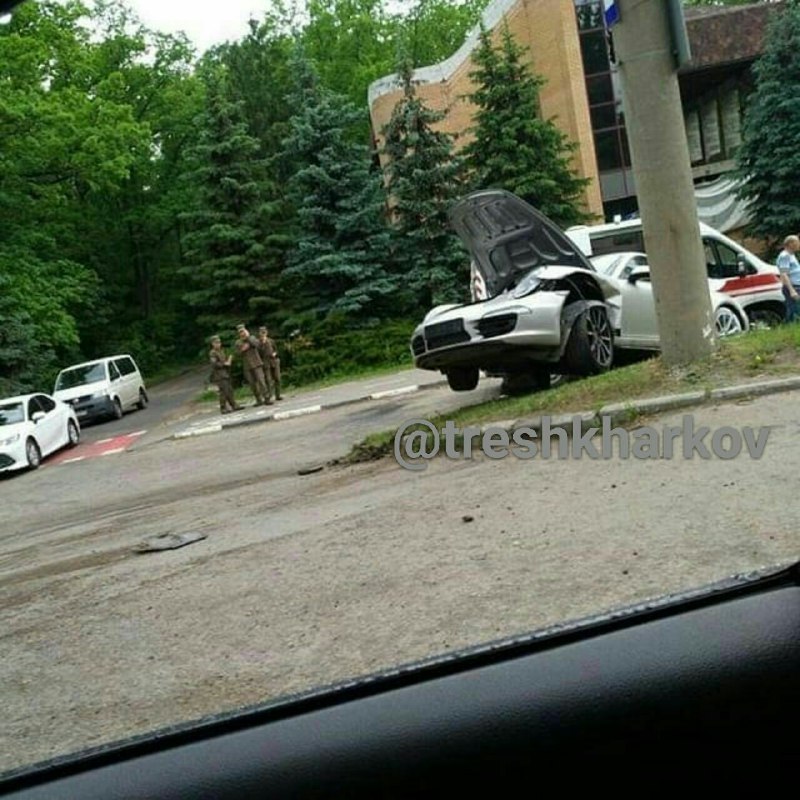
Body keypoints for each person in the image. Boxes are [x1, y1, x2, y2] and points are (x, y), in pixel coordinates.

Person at [235, 323, 272, 405]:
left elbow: (257, 345)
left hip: (256, 363)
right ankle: (258, 400)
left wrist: (248, 337)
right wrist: (243, 349)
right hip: (247, 366)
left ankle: (267, 398)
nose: (242, 333)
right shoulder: (238, 342)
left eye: (243, 331)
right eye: (240, 332)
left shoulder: (252, 338)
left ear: (246, 331)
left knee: (261, 381)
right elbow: (238, 353)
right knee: (252, 384)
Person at [208, 336, 243, 414]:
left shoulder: (221, 351)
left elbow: (224, 361)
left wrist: (229, 360)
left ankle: (234, 405)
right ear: (213, 344)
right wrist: (224, 364)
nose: (218, 344)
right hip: (219, 375)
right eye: (216, 343)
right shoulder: (212, 353)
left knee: (229, 390)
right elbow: (214, 364)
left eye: (219, 342)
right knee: (223, 392)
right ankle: (223, 407)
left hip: (225, 373)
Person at [777, 235, 800, 323]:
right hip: (793, 287)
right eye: (797, 242)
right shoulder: (785, 256)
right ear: (791, 244)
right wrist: (792, 290)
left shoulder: (791, 255)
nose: (799, 244)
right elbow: (784, 274)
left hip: (796, 286)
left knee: (793, 311)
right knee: (794, 312)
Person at [257, 325, 282, 401]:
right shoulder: (258, 343)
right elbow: (259, 353)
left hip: (274, 361)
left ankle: (278, 395)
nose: (263, 334)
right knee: (268, 380)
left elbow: (276, 350)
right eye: (262, 332)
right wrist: (263, 343)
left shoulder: (271, 340)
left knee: (277, 378)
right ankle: (270, 396)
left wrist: (275, 353)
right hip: (266, 362)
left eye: (264, 332)